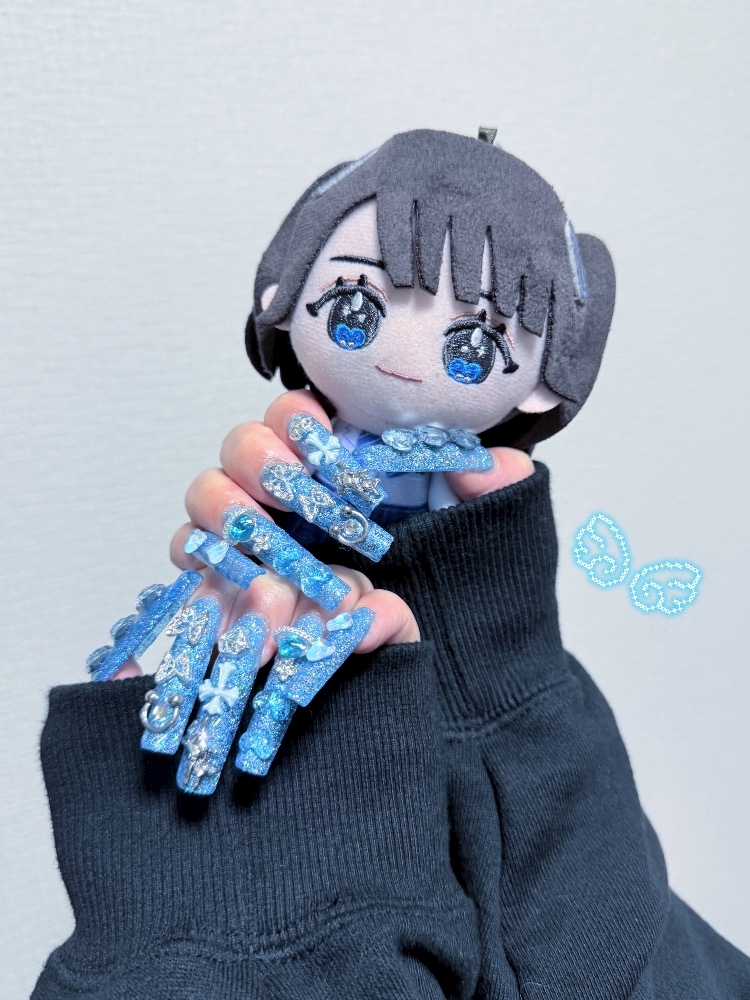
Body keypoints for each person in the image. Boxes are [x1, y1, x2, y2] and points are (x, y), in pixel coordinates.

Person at [33, 130, 750, 997]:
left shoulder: (520, 672)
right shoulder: (311, 462)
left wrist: (483, 657)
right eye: (354, 307)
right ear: (282, 297)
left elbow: (602, 946)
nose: (402, 362)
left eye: (471, 346)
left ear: (544, 379)